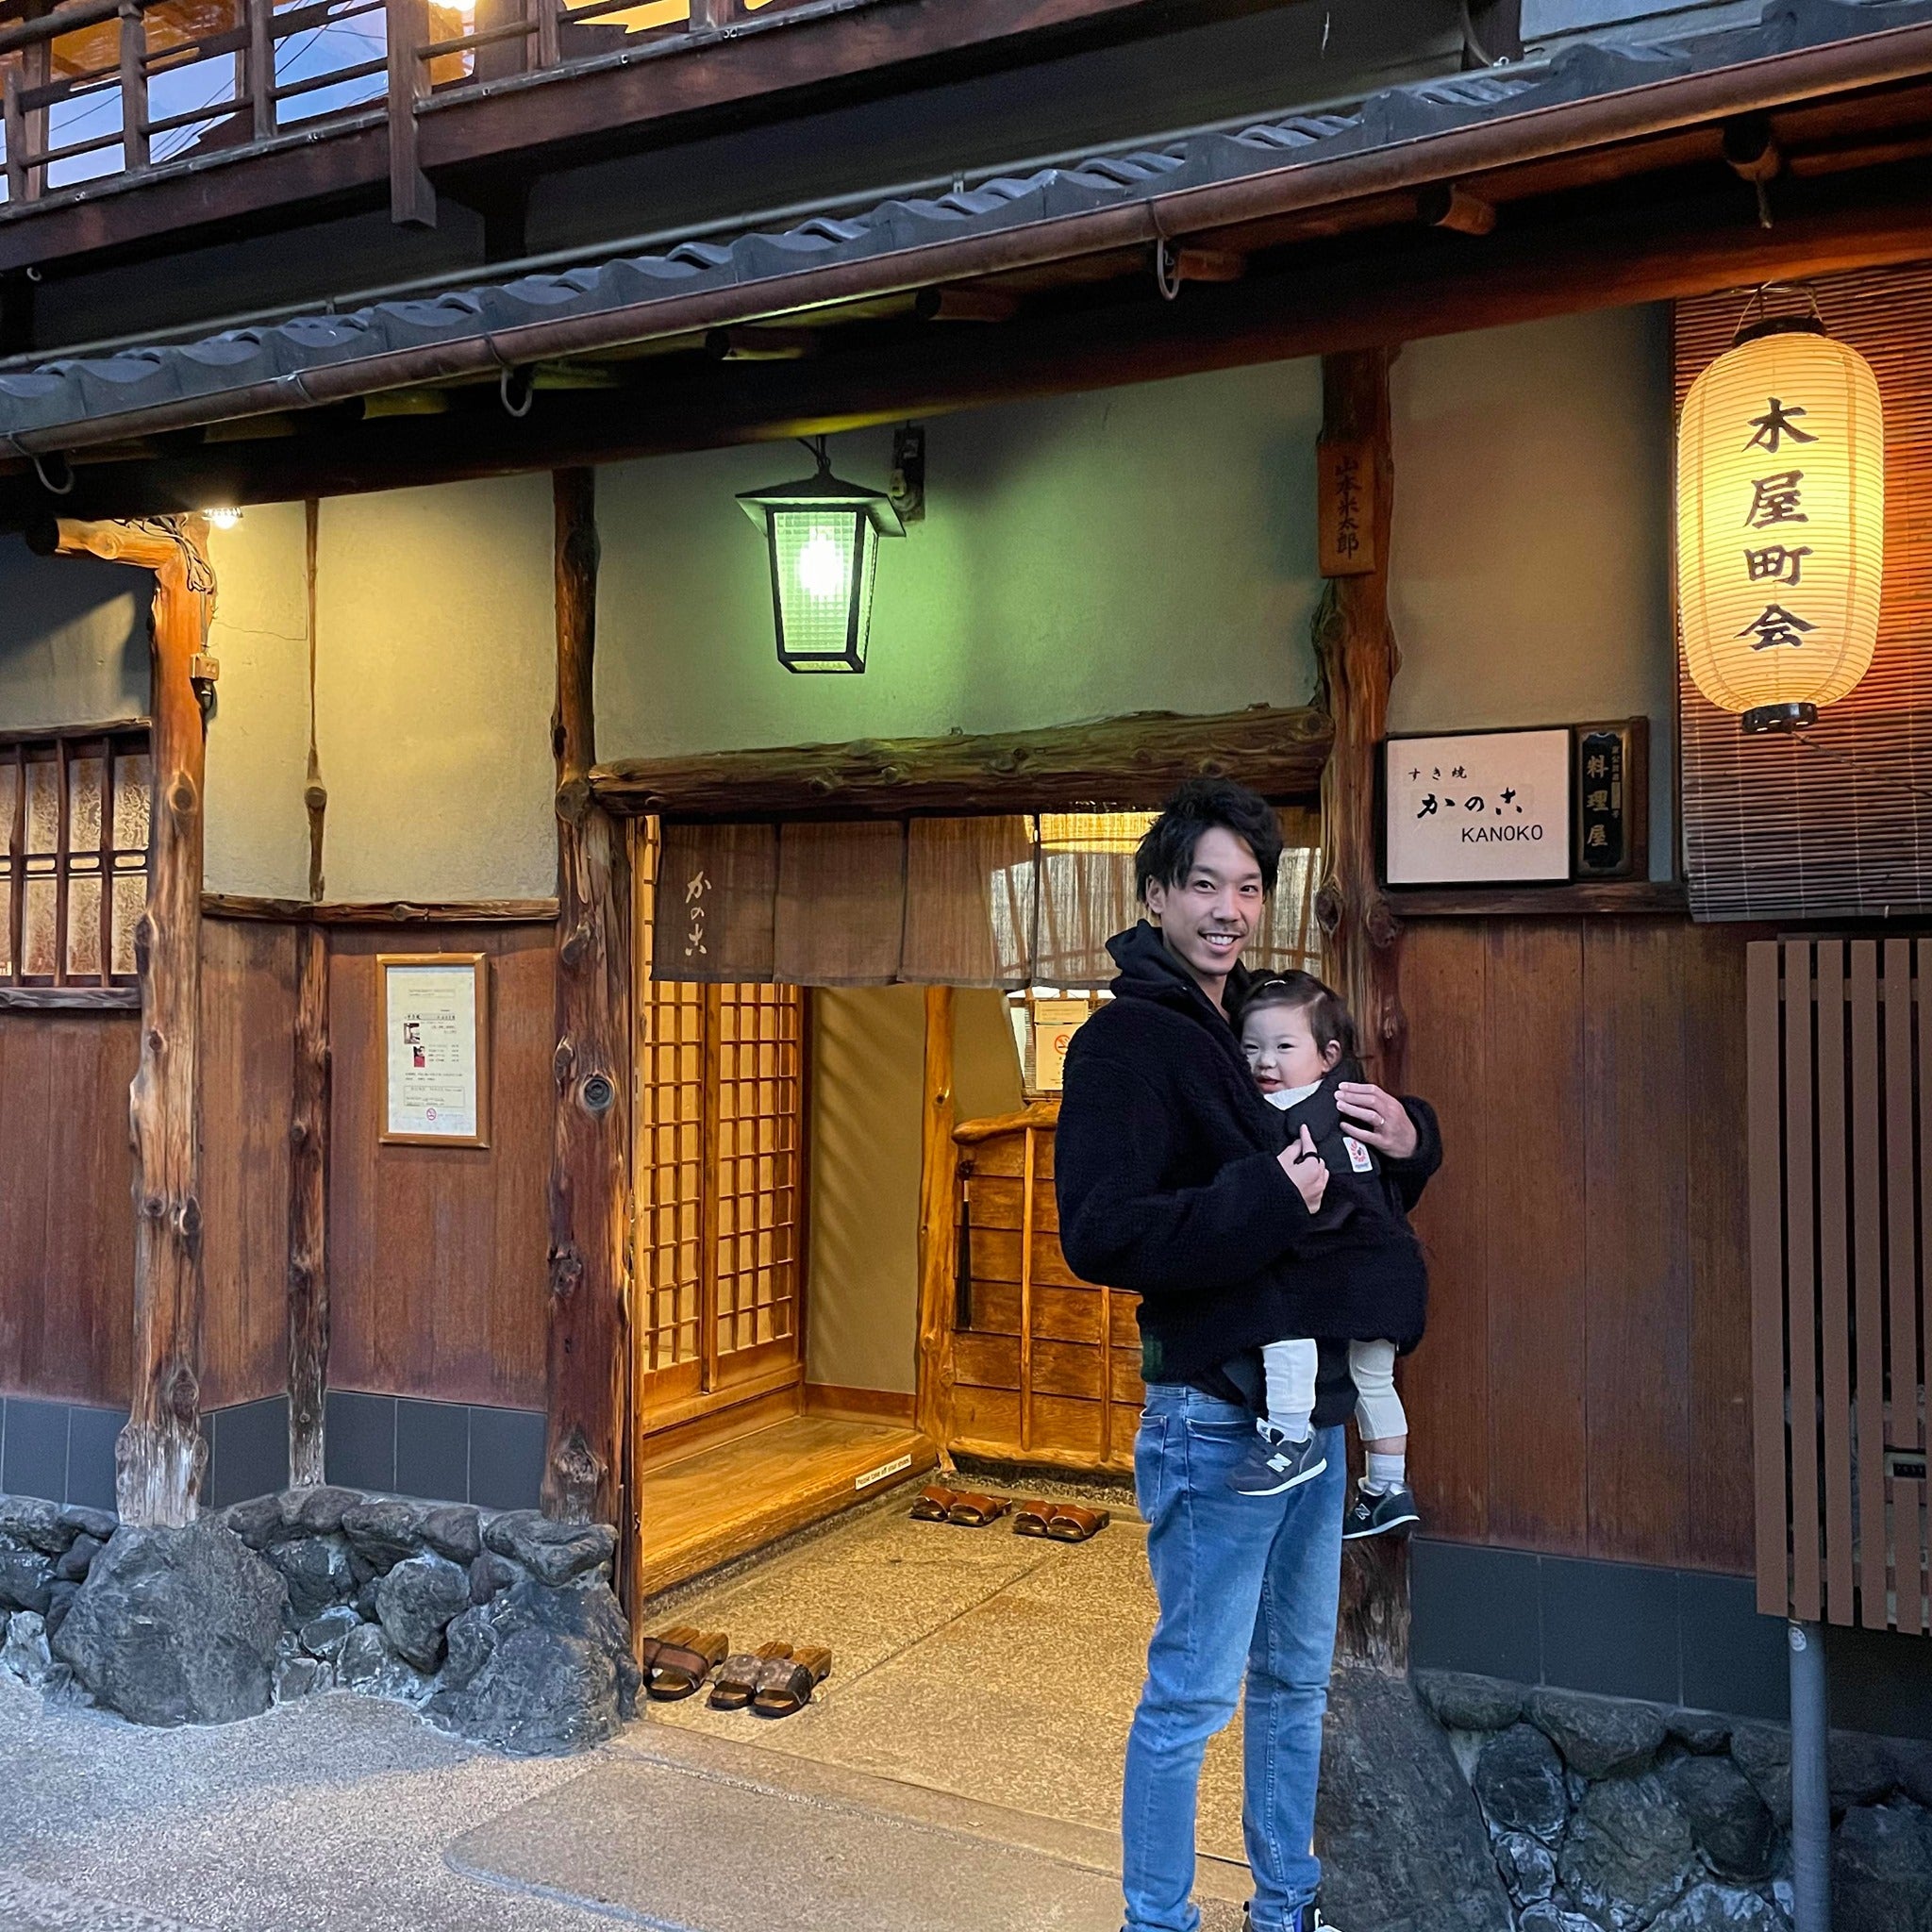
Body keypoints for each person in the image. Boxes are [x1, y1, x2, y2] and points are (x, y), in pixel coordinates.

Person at [1056, 775, 1441, 1932]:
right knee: (1191, 1693)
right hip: (1214, 1413)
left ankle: (1284, 1907)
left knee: (1292, 1681)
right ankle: (1157, 1918)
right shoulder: (1124, 1041)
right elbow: (1100, 1232)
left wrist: (1413, 1139)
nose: (1228, 908)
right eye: (1203, 884)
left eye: (1248, 886)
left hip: (1308, 1413)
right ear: (1155, 895)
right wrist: (1263, 1196)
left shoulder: (1251, 1029)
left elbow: (1342, 1191)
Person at [1230, 972, 1431, 1541]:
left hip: (1337, 1261)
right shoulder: (1357, 1098)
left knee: (1283, 1322)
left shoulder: (1283, 1111)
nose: (1264, 1062)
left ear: (1329, 1055)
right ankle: (1387, 1486)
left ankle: (1290, 1436)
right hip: (1393, 1268)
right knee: (1374, 1379)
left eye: (1283, 1046)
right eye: (1250, 1048)